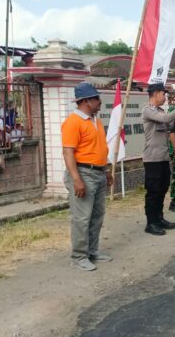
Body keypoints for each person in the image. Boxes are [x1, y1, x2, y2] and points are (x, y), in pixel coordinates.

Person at [61, 82, 114, 271]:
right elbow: (68, 153)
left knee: (97, 215)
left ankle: (92, 251)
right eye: (96, 99)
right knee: (82, 218)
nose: (100, 102)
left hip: (98, 172)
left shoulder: (94, 120)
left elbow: (100, 147)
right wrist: (76, 179)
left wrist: (106, 170)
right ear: (86, 101)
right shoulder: (73, 122)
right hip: (83, 173)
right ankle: (78, 256)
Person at [142, 83, 175, 235]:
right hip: (152, 159)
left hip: (163, 158)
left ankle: (159, 218)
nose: (165, 97)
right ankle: (151, 222)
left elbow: (170, 124)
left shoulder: (160, 111)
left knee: (162, 189)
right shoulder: (148, 110)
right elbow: (167, 118)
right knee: (153, 192)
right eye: (163, 94)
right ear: (155, 93)